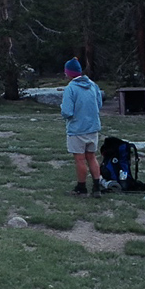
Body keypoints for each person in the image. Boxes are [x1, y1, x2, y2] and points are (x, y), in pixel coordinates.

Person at [60, 57, 104, 196]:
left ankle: (81, 188)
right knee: (92, 156)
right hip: (93, 127)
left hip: (77, 129)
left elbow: (67, 112)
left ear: (69, 73)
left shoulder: (70, 88)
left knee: (80, 159)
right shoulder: (93, 85)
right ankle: (97, 187)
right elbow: (99, 104)